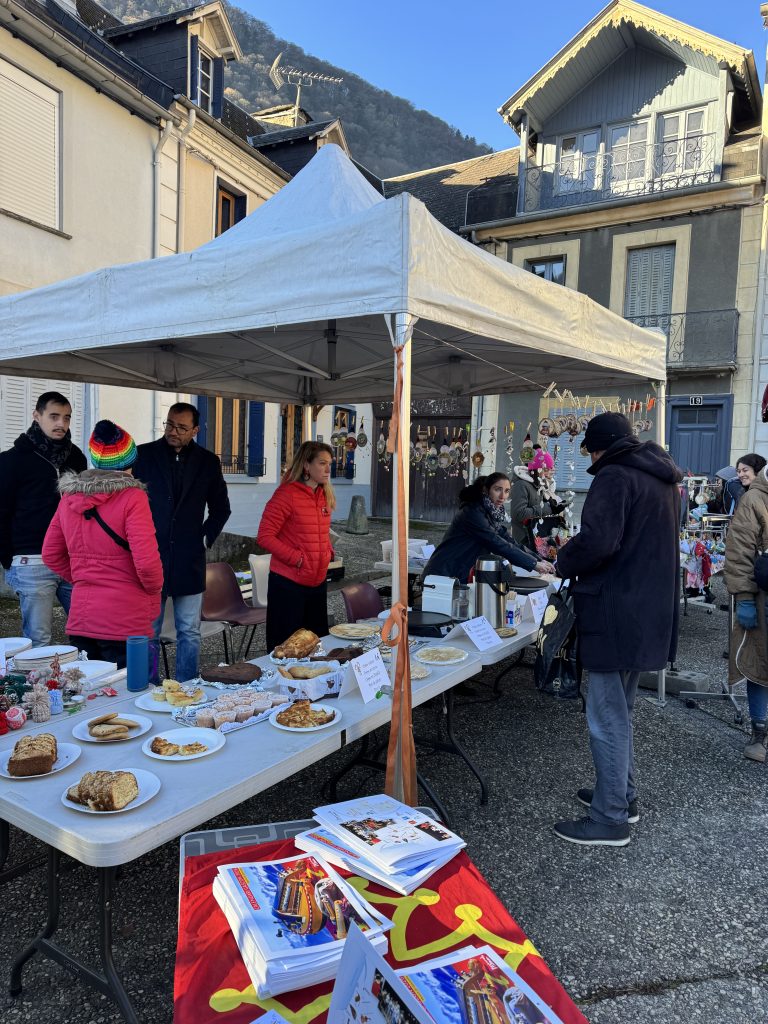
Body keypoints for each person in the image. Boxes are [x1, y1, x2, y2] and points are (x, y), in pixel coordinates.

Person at [554, 412, 682, 847]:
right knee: (620, 711)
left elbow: (599, 541)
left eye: (589, 450)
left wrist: (563, 560)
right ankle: (622, 797)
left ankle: (609, 819)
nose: (590, 457)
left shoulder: (615, 475)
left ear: (598, 448)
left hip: (615, 609)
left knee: (606, 717)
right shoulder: (662, 477)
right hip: (647, 610)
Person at [41, 421, 163, 668]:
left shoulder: (69, 497)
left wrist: (83, 578)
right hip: (126, 620)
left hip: (82, 618)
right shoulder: (133, 497)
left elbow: (50, 554)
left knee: (89, 689)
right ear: (131, 460)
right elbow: (147, 564)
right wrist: (153, 590)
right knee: (130, 689)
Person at [133, 402, 230, 682]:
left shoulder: (208, 462)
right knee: (148, 631)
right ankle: (147, 688)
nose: (173, 431)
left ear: (195, 430)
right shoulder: (143, 455)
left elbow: (221, 509)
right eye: (170, 425)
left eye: (181, 427)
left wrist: (204, 539)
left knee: (189, 630)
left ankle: (186, 688)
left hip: (190, 558)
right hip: (151, 557)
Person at [0, 391, 87, 645]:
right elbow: (2, 511)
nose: (61, 423)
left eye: (67, 417)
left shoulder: (76, 457)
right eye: (54, 416)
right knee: (38, 640)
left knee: (88, 632)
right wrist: (9, 558)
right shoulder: (12, 460)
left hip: (72, 560)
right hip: (32, 560)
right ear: (37, 416)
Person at [257, 441, 336, 651]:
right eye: (322, 463)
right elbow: (264, 536)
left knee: (316, 648)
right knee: (286, 649)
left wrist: (327, 551)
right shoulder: (286, 494)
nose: (328, 469)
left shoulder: (324, 495)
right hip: (288, 585)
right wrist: (297, 558)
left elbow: (318, 532)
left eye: (330, 463)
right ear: (306, 465)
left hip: (317, 583)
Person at [421, 472, 555, 584]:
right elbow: (497, 543)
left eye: (507, 491)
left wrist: (538, 559)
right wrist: (533, 564)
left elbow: (509, 541)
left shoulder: (490, 512)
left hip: (458, 574)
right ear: (486, 490)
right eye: (498, 489)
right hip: (443, 575)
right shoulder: (473, 513)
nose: (503, 496)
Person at [724, 459, 768, 763]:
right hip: (763, 598)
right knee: (759, 663)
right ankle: (759, 734)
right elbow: (739, 550)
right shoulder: (754, 499)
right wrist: (744, 597)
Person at [510, 448, 569, 549]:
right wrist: (549, 508)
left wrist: (557, 507)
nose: (548, 473)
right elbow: (519, 514)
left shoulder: (540, 485)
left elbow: (542, 511)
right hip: (525, 542)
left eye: (550, 469)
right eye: (545, 470)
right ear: (535, 469)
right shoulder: (521, 485)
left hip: (539, 541)